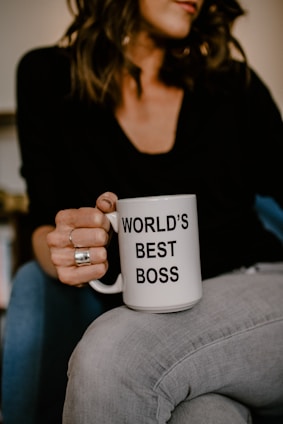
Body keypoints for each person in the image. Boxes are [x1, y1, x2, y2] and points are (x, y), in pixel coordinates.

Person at [2, 0, 283, 422]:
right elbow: (46, 222)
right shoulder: (47, 77)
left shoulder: (233, 85)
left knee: (113, 353)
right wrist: (69, 250)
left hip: (260, 289)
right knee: (203, 417)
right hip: (165, 333)